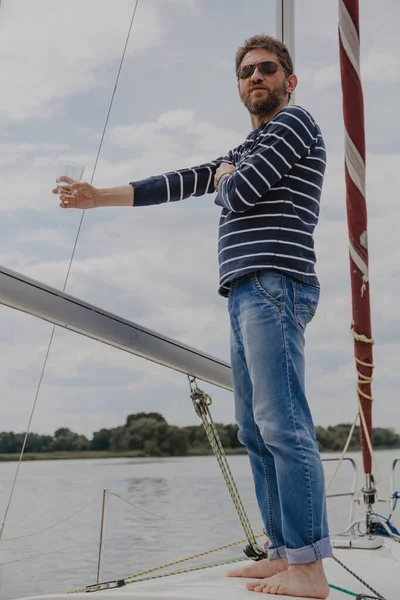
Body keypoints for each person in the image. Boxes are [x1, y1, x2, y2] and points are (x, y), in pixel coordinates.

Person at [53, 35, 332, 598]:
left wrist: (227, 176)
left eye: (268, 68)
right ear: (238, 86)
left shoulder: (296, 124)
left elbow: (239, 193)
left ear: (289, 81)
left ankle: (309, 567)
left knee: (285, 427)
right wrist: (95, 196)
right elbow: (177, 182)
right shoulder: (245, 148)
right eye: (246, 71)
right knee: (254, 431)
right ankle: (282, 554)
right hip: (245, 292)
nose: (256, 76)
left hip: (276, 283)